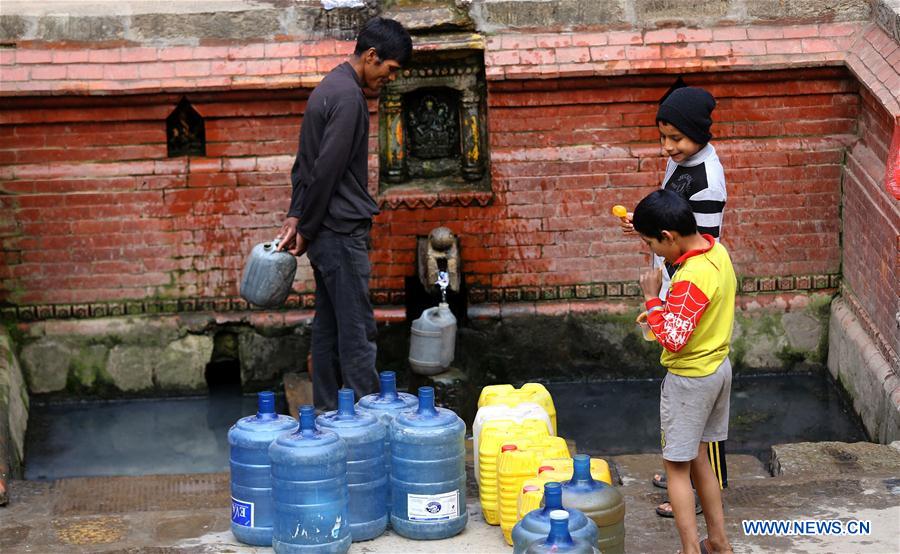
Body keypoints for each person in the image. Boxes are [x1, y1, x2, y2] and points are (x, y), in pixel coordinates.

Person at [275, 17, 412, 411]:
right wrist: (308, 223)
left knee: (329, 326)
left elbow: (304, 166)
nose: (390, 77)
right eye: (390, 69)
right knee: (356, 331)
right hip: (339, 231)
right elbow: (325, 171)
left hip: (324, 231)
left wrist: (297, 215)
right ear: (371, 56)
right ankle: (367, 421)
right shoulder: (349, 98)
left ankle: (326, 411)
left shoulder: (327, 88)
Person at [619, 84, 728, 517]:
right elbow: (672, 221)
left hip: (691, 291)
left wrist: (663, 297)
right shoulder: (681, 163)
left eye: (676, 138)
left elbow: (703, 244)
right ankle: (682, 465)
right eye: (663, 137)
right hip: (673, 280)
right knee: (686, 398)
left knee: (701, 401)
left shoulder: (708, 181)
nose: (668, 148)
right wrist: (643, 224)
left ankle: (705, 487)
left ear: (699, 133)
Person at [633, 189, 736, 554]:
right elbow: (689, 317)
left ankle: (691, 549)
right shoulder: (716, 252)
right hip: (717, 368)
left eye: (652, 245)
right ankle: (719, 543)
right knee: (699, 459)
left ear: (669, 236)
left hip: (690, 379)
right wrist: (663, 311)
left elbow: (673, 338)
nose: (655, 254)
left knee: (676, 468)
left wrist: (652, 299)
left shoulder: (690, 277)